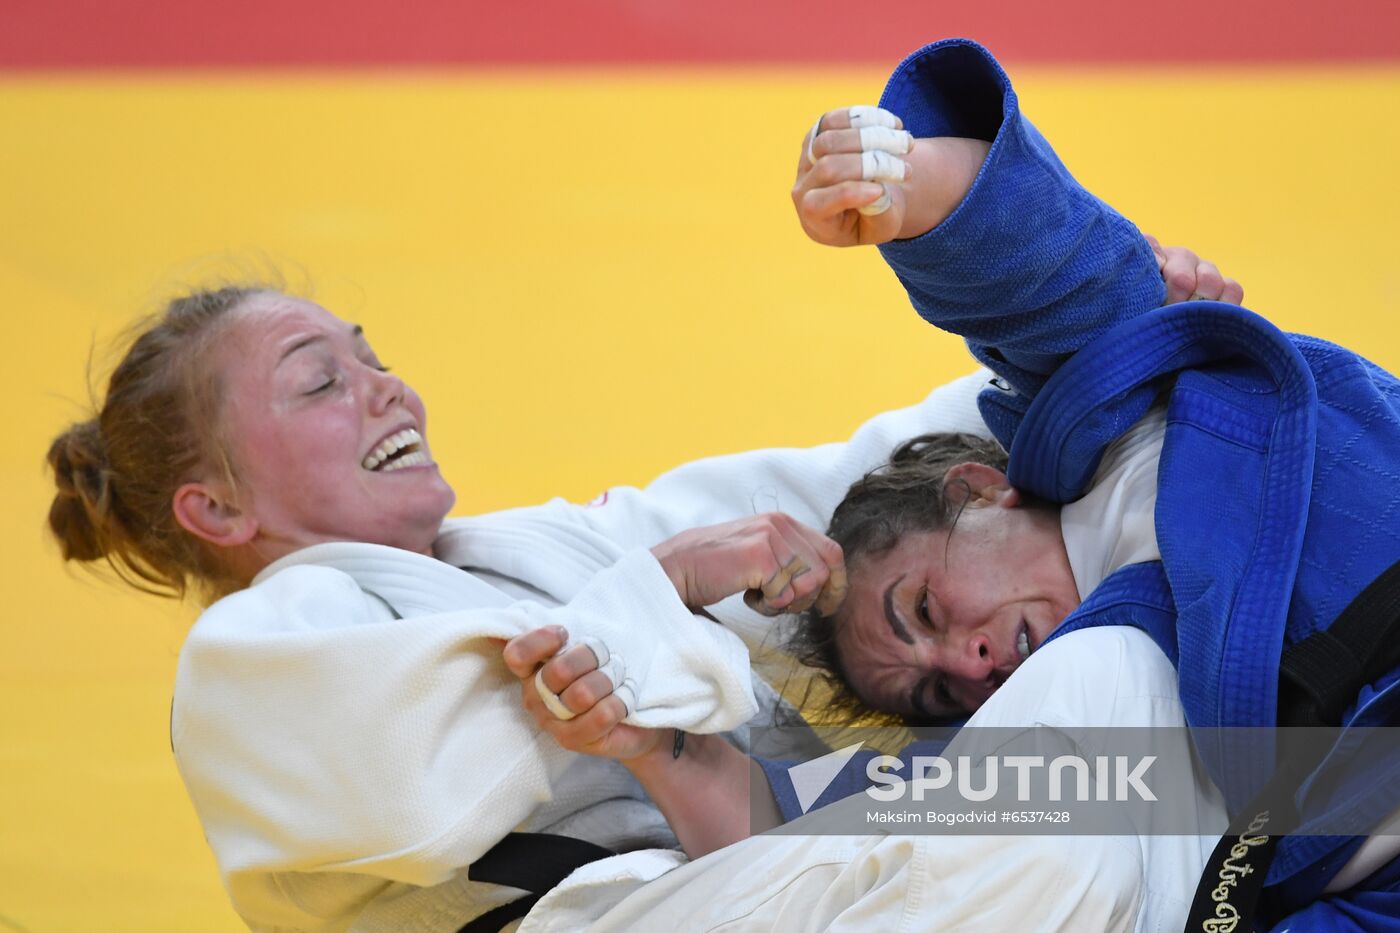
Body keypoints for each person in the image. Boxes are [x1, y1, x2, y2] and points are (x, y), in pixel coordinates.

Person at [45, 41, 1238, 933]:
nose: (386, 390)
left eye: (372, 355)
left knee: (1129, 574)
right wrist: (663, 589)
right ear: (218, 509)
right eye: (321, 383)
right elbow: (414, 788)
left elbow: (867, 502)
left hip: (784, 884)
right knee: (1088, 739)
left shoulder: (538, 552)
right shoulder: (247, 660)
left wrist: (1105, 351)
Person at [515, 37, 1400, 933]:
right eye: (939, 698)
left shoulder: (1122, 411)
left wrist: (899, 187)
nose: (968, 666)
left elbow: (1043, 267)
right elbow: (804, 828)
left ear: (980, 491)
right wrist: (655, 745)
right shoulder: (1067, 732)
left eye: (926, 610)